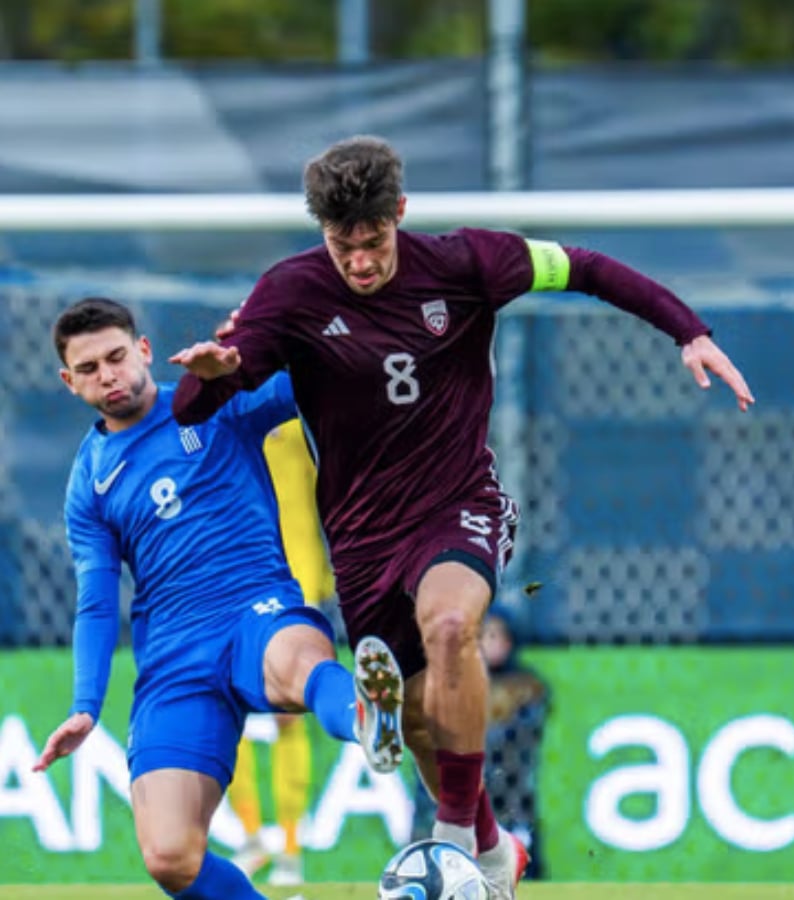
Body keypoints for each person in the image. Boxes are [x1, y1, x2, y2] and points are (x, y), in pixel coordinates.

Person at [168, 134, 755, 900]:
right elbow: (193, 404)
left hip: (459, 506)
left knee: (451, 627)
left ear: (400, 215)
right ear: (324, 235)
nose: (361, 263)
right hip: (360, 540)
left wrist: (690, 331)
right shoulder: (290, 292)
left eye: (374, 243)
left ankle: (450, 845)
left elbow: (587, 267)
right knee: (418, 720)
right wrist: (215, 378)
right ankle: (490, 846)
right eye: (344, 247)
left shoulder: (470, 262)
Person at [34, 297, 403, 900]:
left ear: (145, 351)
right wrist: (84, 705)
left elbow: (317, 378)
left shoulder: (213, 399)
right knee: (169, 857)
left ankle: (365, 713)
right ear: (69, 382)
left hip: (255, 609)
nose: (109, 374)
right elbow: (97, 602)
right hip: (176, 658)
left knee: (299, 664)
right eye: (91, 367)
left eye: (118, 357)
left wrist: (258, 347)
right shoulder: (89, 483)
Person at [228, 420, 337, 887]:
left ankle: (291, 849)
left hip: (296, 572)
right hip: (233, 574)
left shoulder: (297, 404)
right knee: (230, 707)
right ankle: (251, 837)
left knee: (288, 713)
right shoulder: (213, 406)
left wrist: (324, 581)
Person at [411, 607, 550, 877]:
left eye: (498, 635)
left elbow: (525, 731)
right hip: (457, 782)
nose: (492, 643)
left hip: (509, 786)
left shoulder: (527, 686)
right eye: (484, 635)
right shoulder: (450, 684)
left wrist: (475, 743)